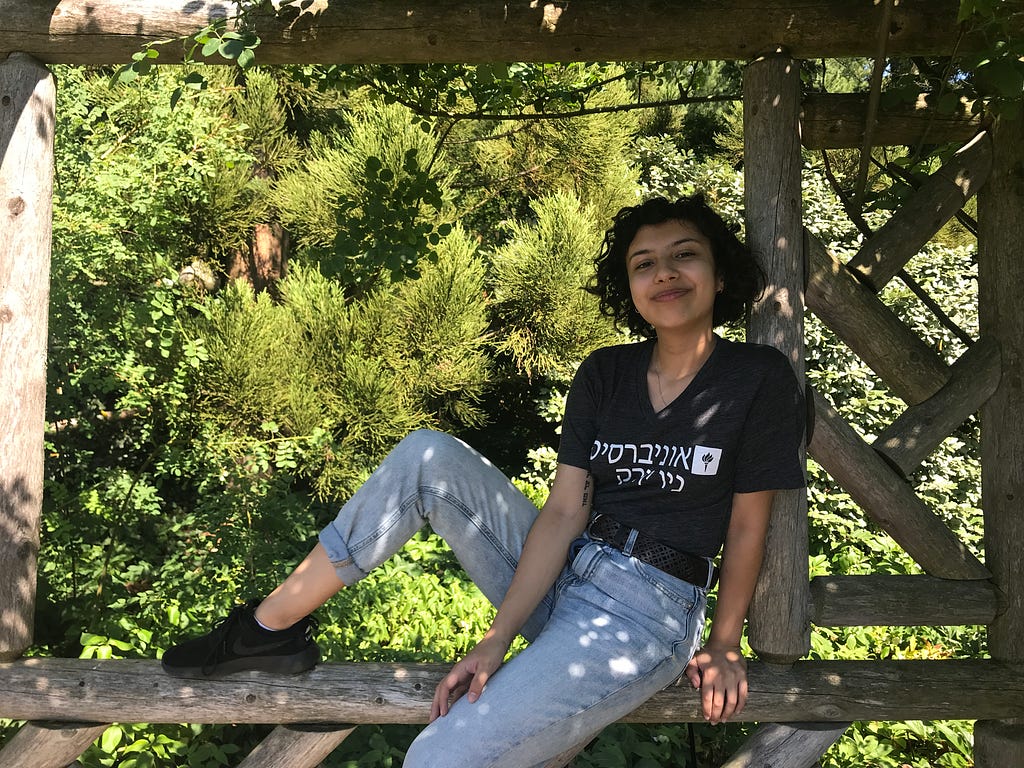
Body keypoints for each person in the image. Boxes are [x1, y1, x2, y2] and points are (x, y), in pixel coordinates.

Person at [161, 193, 806, 767]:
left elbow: (749, 524)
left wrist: (724, 644)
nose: (664, 272)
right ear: (629, 287)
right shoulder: (605, 374)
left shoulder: (756, 378)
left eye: (684, 255)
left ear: (719, 274)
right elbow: (562, 515)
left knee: (442, 756)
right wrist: (496, 638)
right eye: (644, 263)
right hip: (565, 569)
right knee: (428, 457)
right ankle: (267, 631)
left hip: (646, 611)